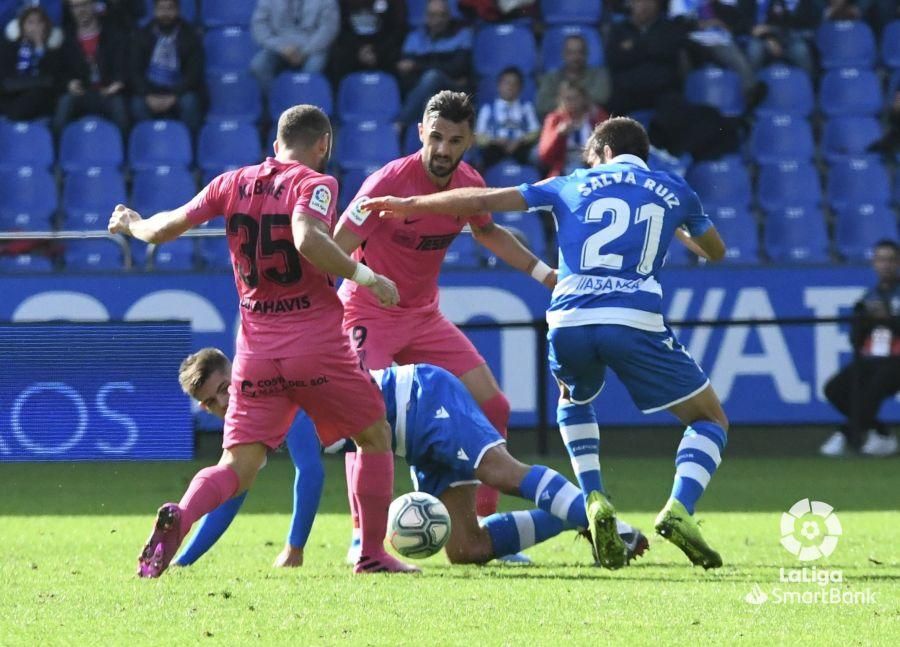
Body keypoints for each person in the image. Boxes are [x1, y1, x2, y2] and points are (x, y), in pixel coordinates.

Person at [362, 116, 731, 570]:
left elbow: (482, 199)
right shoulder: (675, 189)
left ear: (599, 153)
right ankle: (679, 508)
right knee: (709, 418)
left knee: (573, 401)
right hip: (633, 315)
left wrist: (411, 202)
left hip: (570, 315)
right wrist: (679, 227)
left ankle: (594, 497)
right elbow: (715, 251)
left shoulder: (569, 182)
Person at [108, 104, 418, 577]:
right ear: (323, 146)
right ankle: (372, 554)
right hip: (316, 346)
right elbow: (307, 239)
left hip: (255, 352)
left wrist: (130, 223)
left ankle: (183, 515)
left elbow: (164, 228)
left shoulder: (231, 182)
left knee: (237, 465)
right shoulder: (316, 183)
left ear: (276, 145)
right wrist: (367, 276)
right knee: (373, 435)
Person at [334, 91, 556, 563]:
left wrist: (545, 275)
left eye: (454, 140)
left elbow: (489, 231)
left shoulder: (469, 184)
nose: (442, 149)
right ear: (421, 133)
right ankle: (362, 538)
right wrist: (364, 280)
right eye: (435, 137)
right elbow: (336, 243)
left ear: (469, 141)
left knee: (493, 404)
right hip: (367, 312)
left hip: (422, 317)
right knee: (364, 419)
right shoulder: (386, 183)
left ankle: (479, 527)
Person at [172, 348, 650, 567]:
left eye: (222, 390)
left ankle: (602, 517)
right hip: (408, 438)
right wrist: (185, 561)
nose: (221, 405)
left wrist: (295, 548)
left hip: (421, 400)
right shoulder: (252, 419)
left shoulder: (277, 396)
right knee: (467, 549)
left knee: (501, 473)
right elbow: (234, 492)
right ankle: (577, 519)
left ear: (235, 372)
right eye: (211, 404)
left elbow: (311, 474)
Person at [820, 240, 900, 458]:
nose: (886, 265)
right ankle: (880, 432)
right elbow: (855, 339)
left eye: (891, 259)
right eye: (881, 259)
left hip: (897, 360)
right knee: (834, 389)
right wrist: (865, 320)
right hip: (871, 358)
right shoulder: (868, 297)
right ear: (874, 263)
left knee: (874, 387)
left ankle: (845, 433)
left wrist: (889, 319)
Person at [395, 0, 472, 133]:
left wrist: (417, 66)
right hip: (422, 89)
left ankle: (401, 122)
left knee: (433, 76)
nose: (437, 20)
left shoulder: (462, 34)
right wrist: (420, 69)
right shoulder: (414, 37)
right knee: (428, 98)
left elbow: (457, 68)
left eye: (441, 15)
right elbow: (405, 71)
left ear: (449, 16)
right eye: (432, 15)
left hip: (452, 88)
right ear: (426, 17)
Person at [54, 0, 129, 134]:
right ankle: (58, 151)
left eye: (84, 4)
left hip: (107, 91)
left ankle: (125, 151)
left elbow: (122, 66)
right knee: (64, 104)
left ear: (94, 5)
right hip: (81, 93)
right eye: (75, 7)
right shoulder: (66, 39)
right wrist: (68, 83)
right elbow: (59, 71)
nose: (80, 10)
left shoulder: (113, 35)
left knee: (119, 108)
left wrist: (117, 83)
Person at [129, 0, 202, 134]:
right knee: (137, 105)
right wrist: (147, 95)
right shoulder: (142, 35)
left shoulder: (190, 35)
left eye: (170, 8)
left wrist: (174, 95)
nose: (166, 14)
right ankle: (148, 144)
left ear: (178, 10)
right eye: (161, 9)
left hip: (179, 90)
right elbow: (134, 72)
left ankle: (189, 147)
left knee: (190, 103)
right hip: (150, 90)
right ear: (154, 11)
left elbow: (194, 74)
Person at [605, 0, 685, 117]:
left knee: (674, 106)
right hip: (628, 90)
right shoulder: (618, 30)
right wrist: (649, 48)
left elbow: (669, 55)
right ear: (631, 4)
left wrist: (634, 49)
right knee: (612, 108)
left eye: (650, 2)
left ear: (658, 5)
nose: (644, 6)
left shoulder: (669, 28)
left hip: (662, 90)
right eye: (639, 2)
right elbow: (615, 60)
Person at [250, 0, 339, 92]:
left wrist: (305, 51)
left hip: (313, 47)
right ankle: (275, 101)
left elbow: (328, 29)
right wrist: (281, 47)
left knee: (313, 69)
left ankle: (304, 101)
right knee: (259, 66)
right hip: (279, 46)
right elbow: (259, 26)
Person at [0, 5, 62, 121]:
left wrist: (39, 48)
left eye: (39, 22)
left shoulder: (53, 53)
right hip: (11, 94)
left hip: (37, 99)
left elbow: (51, 81)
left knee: (37, 94)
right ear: (22, 27)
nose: (35, 27)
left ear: (46, 26)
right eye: (30, 23)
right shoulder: (8, 48)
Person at [538, 80, 608, 178]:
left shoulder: (596, 115)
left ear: (584, 98)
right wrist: (558, 135)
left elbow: (608, 142)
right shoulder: (554, 119)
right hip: (565, 165)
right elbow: (544, 156)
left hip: (593, 162)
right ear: (561, 100)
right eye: (568, 98)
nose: (572, 102)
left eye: (576, 98)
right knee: (574, 169)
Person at [475, 66, 540, 168]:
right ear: (499, 85)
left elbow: (535, 131)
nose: (510, 87)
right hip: (495, 148)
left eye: (515, 84)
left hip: (520, 148)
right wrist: (494, 140)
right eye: (506, 83)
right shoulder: (488, 109)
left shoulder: (526, 107)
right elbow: (479, 136)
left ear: (520, 88)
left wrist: (520, 140)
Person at [327, 0, 406, 83]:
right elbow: (341, 28)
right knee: (338, 58)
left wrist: (377, 50)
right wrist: (359, 49)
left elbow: (398, 29)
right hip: (353, 46)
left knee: (395, 61)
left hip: (383, 47)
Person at [535, 34, 611, 119]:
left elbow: (601, 97)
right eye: (570, 52)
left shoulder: (598, 75)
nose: (575, 57)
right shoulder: (551, 78)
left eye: (580, 52)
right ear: (563, 54)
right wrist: (580, 100)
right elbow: (543, 104)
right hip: (559, 125)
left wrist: (565, 100)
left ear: (587, 54)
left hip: (592, 124)